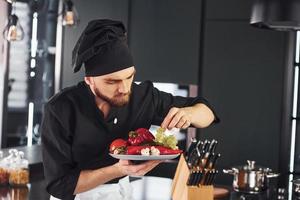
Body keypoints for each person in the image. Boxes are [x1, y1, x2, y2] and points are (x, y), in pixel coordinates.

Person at [41, 19, 219, 200]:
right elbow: (59, 185)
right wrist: (116, 170)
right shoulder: (60, 109)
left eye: (129, 77)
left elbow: (208, 113)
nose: (125, 88)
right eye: (112, 82)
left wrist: (189, 113)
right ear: (90, 80)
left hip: (122, 193)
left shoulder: (143, 96)